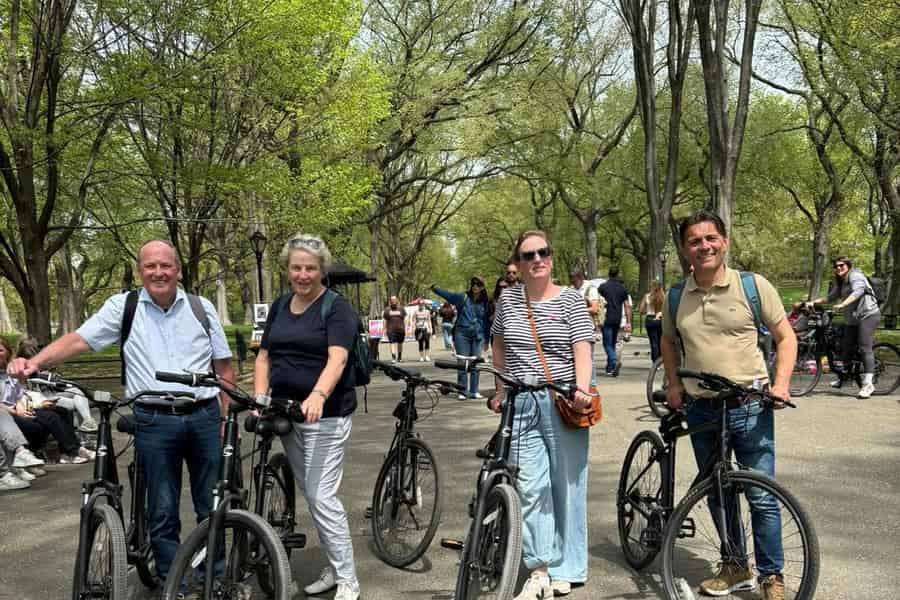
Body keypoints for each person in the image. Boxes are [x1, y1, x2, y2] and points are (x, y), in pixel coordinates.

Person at [7, 240, 234, 585]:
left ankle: (213, 580)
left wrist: (222, 417)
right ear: (141, 270)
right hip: (154, 420)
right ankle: (176, 586)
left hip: (203, 415)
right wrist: (34, 362)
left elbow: (223, 367)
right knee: (161, 509)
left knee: (212, 506)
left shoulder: (201, 308)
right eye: (150, 266)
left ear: (178, 270)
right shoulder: (123, 307)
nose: (158, 272)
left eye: (165, 265)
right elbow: (79, 340)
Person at [660, 210, 797, 600]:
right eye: (694, 241)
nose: (703, 246)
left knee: (761, 496)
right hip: (702, 409)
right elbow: (668, 342)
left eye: (710, 238)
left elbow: (785, 338)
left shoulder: (753, 286)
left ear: (724, 241)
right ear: (685, 249)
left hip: (750, 405)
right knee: (718, 492)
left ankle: (772, 576)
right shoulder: (676, 296)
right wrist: (673, 382)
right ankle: (736, 566)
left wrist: (782, 384)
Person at [254, 233, 361, 600]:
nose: (303, 274)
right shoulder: (281, 306)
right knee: (313, 494)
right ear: (287, 269)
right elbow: (264, 357)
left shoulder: (336, 307)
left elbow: (338, 359)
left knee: (322, 496)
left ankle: (348, 579)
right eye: (296, 267)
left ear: (321, 270)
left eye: (310, 268)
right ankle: (334, 566)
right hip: (286, 412)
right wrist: (259, 396)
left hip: (324, 416)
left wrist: (318, 394)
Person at [490, 230, 594, 599]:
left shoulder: (570, 301)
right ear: (518, 264)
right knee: (531, 487)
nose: (537, 259)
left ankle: (568, 565)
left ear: (551, 257)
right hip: (521, 403)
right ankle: (540, 568)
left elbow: (582, 346)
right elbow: (498, 340)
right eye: (528, 255)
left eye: (543, 252)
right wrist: (501, 388)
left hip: (563, 400)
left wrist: (581, 388)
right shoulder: (507, 300)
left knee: (566, 486)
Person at [1, 338, 94, 465]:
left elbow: (19, 394)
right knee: (50, 417)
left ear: (7, 352)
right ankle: (72, 450)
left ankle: (68, 452)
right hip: (7, 414)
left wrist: (22, 405)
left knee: (63, 411)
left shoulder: (11, 371)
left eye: (0, 350)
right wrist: (18, 411)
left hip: (25, 405)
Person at [809, 257, 881, 399]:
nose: (838, 268)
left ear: (848, 266)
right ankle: (845, 378)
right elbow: (830, 298)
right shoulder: (841, 282)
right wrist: (812, 302)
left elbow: (858, 291)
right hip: (853, 318)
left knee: (865, 347)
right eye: (836, 266)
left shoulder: (856, 276)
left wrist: (843, 304)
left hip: (868, 315)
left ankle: (868, 384)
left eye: (841, 265)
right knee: (846, 347)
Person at [17, 337, 98, 433]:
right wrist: (47, 375)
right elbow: (38, 382)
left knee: (77, 392)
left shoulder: (37, 362)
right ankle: (84, 434)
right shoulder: (20, 368)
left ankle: (88, 422)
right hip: (40, 399)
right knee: (79, 404)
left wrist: (50, 373)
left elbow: (51, 382)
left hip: (50, 394)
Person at [431, 276, 491, 400]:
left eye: (479, 284)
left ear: (483, 287)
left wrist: (486, 339)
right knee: (462, 363)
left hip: (478, 335)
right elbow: (448, 295)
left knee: (476, 364)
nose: (475, 286)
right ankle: (463, 391)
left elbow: (485, 321)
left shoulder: (485, 301)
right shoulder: (463, 297)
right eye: (473, 283)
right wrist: (435, 288)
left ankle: (474, 391)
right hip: (462, 334)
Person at [598, 266, 633, 376]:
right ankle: (610, 368)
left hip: (607, 317)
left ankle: (613, 361)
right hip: (617, 318)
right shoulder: (622, 288)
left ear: (609, 274)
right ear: (618, 275)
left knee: (607, 343)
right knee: (612, 343)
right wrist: (628, 321)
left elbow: (598, 300)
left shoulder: (603, 287)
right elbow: (627, 306)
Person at [638, 281, 665, 362]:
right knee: (660, 341)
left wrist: (647, 310)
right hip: (661, 319)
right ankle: (660, 360)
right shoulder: (664, 297)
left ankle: (655, 361)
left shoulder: (647, 296)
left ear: (652, 287)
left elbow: (641, 311)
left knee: (653, 342)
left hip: (650, 319)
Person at [383, 296, 406, 363]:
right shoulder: (387, 309)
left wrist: (406, 327)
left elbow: (405, 318)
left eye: (395, 299)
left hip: (401, 329)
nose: (393, 301)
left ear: (397, 300)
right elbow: (385, 320)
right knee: (392, 343)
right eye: (392, 300)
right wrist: (384, 329)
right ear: (390, 301)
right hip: (391, 330)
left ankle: (399, 357)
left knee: (400, 343)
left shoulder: (401, 308)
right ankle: (393, 358)